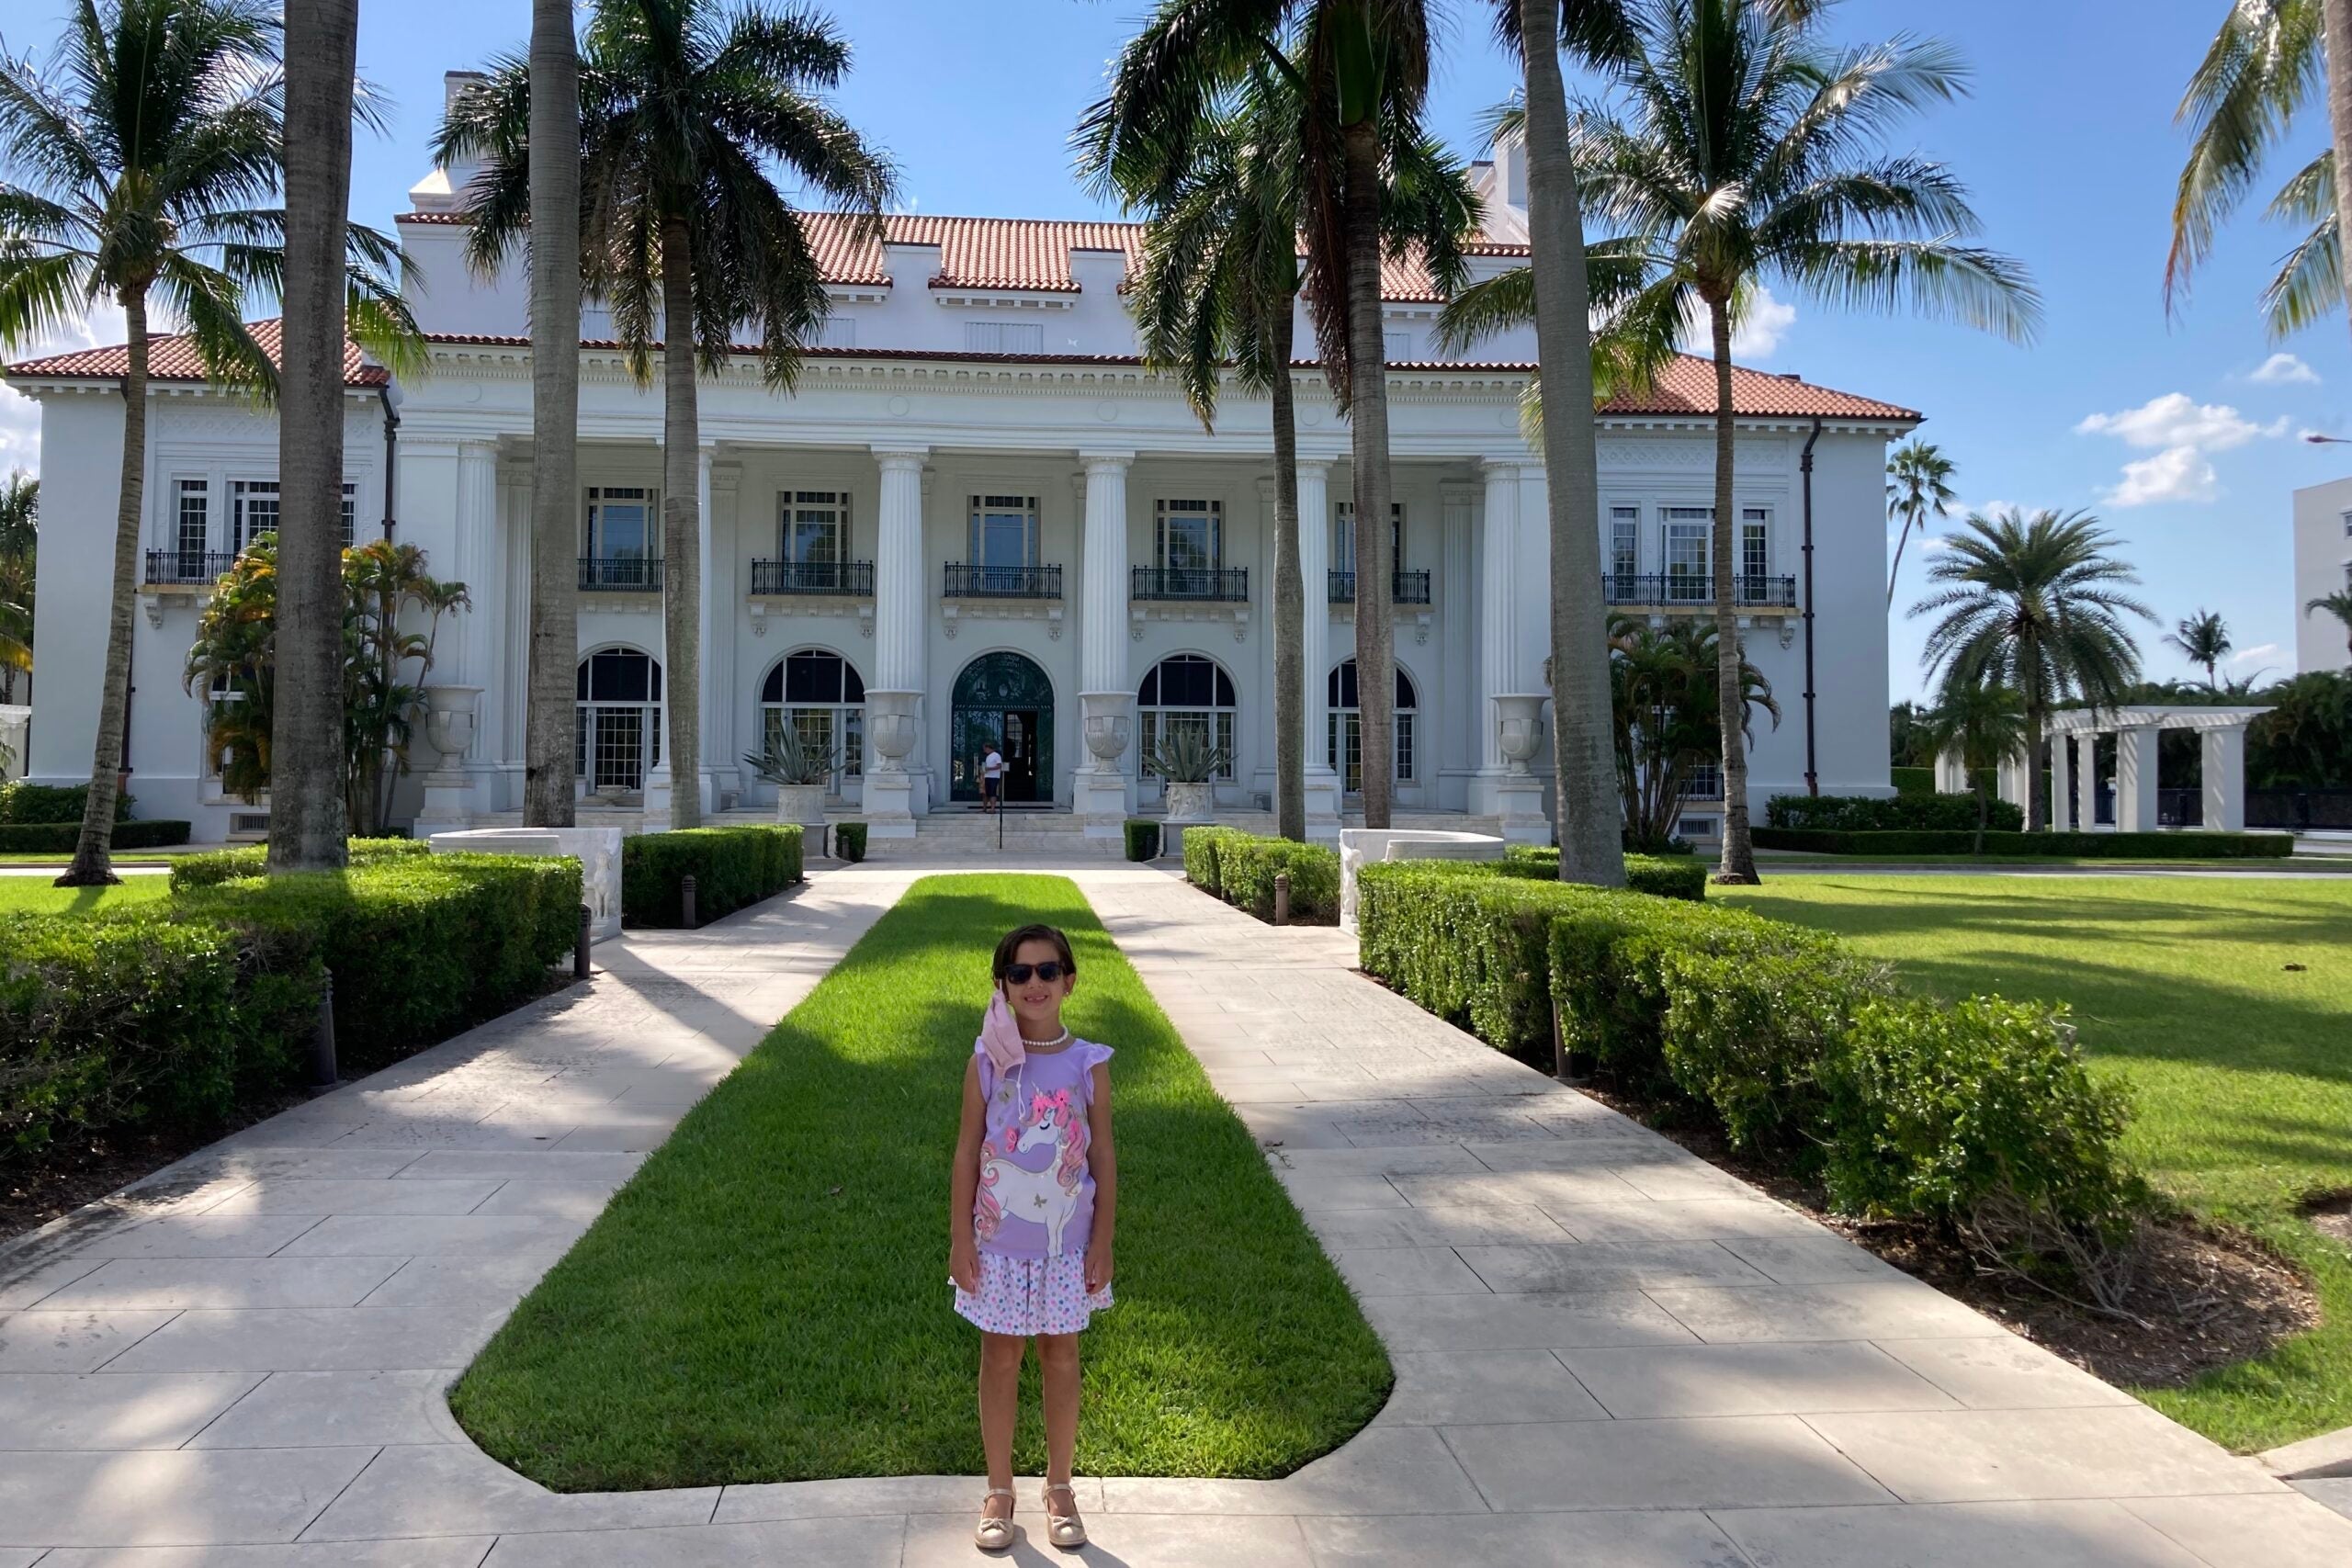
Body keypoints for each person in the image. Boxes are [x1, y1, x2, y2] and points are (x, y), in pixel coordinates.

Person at [949, 924, 1116, 1551]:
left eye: (1048, 971)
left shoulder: (1088, 1063)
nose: (1035, 983)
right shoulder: (987, 1063)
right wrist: (960, 1238)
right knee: (999, 1357)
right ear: (1003, 985)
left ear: (1069, 980)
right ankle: (999, 1489)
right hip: (997, 1247)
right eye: (1020, 973)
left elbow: (1103, 1156)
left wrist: (1102, 1239)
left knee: (1061, 1356)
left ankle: (1060, 1486)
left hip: (1063, 1249)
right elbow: (968, 1152)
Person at [980, 741, 1005, 812]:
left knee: (992, 792)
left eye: (985, 749)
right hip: (987, 776)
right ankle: (987, 808)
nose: (984, 751)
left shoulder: (996, 755)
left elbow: (999, 765)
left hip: (994, 777)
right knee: (987, 793)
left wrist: (989, 768)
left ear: (988, 748)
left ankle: (993, 808)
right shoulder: (988, 756)